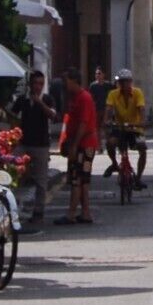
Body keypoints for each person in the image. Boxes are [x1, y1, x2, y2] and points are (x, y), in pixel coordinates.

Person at [9, 69, 58, 223]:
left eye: (41, 84)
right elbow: (12, 116)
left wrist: (39, 103)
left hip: (41, 144)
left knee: (41, 179)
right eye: (36, 83)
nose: (38, 86)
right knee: (15, 173)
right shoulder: (22, 100)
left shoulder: (47, 99)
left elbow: (53, 115)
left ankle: (38, 211)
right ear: (30, 84)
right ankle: (13, 208)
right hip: (23, 143)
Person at [57, 70, 98, 225]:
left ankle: (71, 214)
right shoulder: (74, 97)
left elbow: (83, 124)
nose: (64, 84)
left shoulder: (84, 98)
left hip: (84, 144)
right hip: (79, 143)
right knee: (83, 180)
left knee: (77, 178)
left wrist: (74, 145)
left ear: (74, 80)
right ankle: (85, 212)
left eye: (66, 80)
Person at [103, 69, 149, 187]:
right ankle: (114, 164)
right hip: (120, 128)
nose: (124, 85)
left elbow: (141, 109)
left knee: (142, 148)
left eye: (126, 81)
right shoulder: (113, 94)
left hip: (135, 129)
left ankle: (138, 178)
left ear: (130, 82)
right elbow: (108, 109)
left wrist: (142, 121)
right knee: (110, 143)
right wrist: (106, 120)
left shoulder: (137, 93)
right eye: (121, 82)